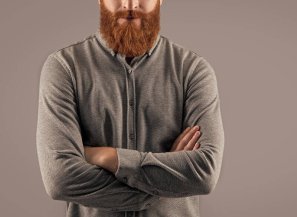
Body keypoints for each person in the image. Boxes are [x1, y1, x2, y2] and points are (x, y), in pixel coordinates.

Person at [36, 0, 225, 216]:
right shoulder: (64, 68)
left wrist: (109, 157)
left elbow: (204, 173)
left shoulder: (193, 71)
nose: (130, 4)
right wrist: (165, 182)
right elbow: (60, 179)